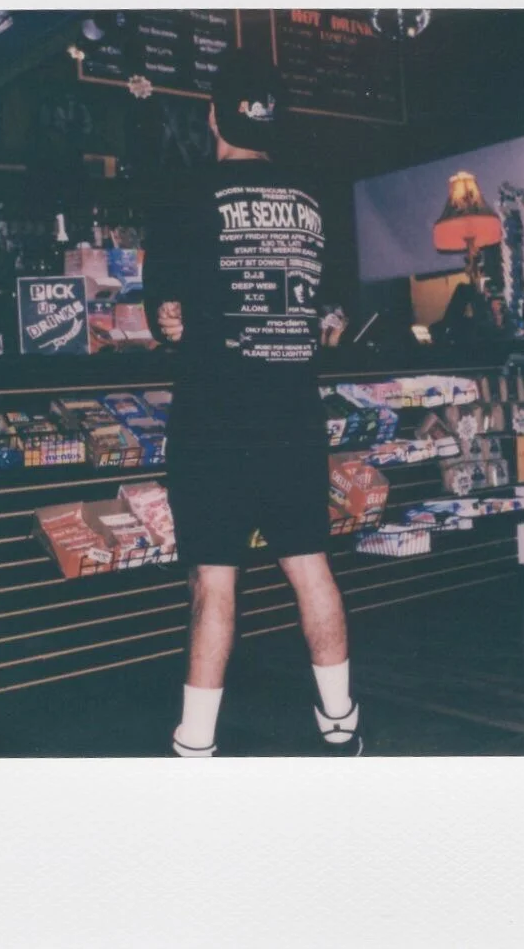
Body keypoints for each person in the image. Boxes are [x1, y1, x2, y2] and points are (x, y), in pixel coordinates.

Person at [143, 49, 363, 757]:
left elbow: (165, 314)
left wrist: (171, 318)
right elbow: (334, 308)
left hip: (214, 416)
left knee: (214, 580)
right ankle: (340, 722)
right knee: (309, 565)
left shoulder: (186, 191)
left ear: (213, 116)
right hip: (292, 413)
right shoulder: (313, 198)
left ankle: (195, 743)